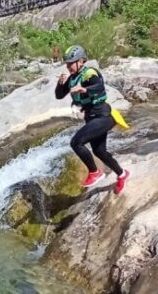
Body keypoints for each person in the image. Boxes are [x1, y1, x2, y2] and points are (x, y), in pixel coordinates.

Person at [55, 45, 130, 194]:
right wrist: (60, 84)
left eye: (72, 63)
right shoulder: (72, 79)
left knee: (76, 142)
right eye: (67, 63)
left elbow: (99, 85)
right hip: (91, 117)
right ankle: (122, 174)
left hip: (103, 116)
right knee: (99, 151)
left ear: (81, 61)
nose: (69, 66)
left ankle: (95, 172)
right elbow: (59, 95)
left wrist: (85, 89)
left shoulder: (90, 73)